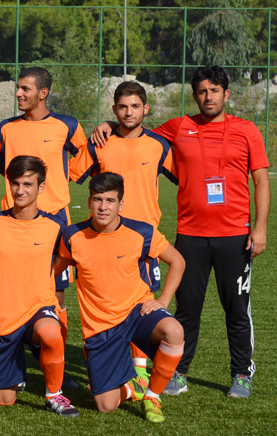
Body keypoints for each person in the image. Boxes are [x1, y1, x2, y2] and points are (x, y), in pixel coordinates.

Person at [91, 66, 270, 398]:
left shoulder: (247, 130)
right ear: (195, 95)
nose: (208, 97)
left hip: (234, 235)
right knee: (187, 308)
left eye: (214, 91)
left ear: (226, 94)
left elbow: (261, 181)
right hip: (190, 234)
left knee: (236, 309)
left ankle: (242, 373)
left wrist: (259, 229)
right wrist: (108, 125)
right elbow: (134, 129)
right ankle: (179, 372)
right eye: (202, 91)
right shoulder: (178, 127)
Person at [55, 173, 186, 423]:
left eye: (110, 200)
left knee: (174, 331)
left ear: (121, 204)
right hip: (100, 326)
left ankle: (152, 396)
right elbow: (53, 271)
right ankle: (133, 388)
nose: (103, 207)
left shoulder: (141, 232)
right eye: (97, 199)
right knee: (106, 405)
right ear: (89, 201)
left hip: (137, 311)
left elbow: (177, 261)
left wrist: (163, 301)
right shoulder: (73, 235)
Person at [70, 81, 177, 384]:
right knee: (105, 304)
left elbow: (186, 176)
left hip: (143, 243)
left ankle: (139, 372)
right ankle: (110, 362)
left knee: (142, 306)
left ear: (146, 109)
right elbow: (71, 173)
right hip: (102, 240)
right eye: (122, 107)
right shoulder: (99, 143)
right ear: (114, 109)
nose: (129, 112)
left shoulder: (159, 145)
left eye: (135, 106)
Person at [0, 66, 86, 388]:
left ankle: (56, 370)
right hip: (12, 224)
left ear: (43, 93)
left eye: (25, 89)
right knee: (8, 292)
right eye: (18, 88)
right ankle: (7, 362)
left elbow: (84, 159)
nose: (18, 93)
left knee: (56, 294)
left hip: (54, 224)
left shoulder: (67, 125)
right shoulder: (5, 128)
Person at [0, 155, 78, 416]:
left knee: (52, 334)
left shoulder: (55, 225)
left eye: (28, 184)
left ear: (41, 187)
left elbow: (63, 258)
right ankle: (13, 375)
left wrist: (42, 278)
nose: (20, 190)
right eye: (15, 184)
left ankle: (54, 395)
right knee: (4, 399)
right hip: (2, 316)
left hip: (38, 307)